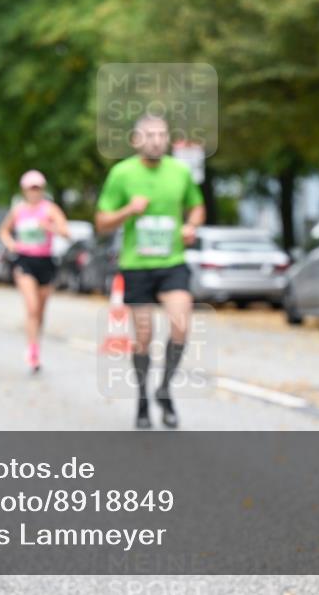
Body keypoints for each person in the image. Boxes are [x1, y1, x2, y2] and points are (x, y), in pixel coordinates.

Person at [95, 114, 205, 429]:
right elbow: (101, 223)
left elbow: (196, 206)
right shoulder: (121, 173)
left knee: (181, 326)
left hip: (172, 262)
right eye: (149, 135)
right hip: (137, 265)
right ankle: (143, 399)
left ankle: (164, 389)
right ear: (136, 140)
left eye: (161, 135)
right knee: (144, 337)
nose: (156, 140)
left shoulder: (180, 172)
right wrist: (128, 210)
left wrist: (191, 224)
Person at [0, 170, 71, 373]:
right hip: (24, 261)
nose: (34, 192)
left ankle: (36, 343)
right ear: (25, 190)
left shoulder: (50, 209)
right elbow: (3, 230)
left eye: (38, 188)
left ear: (42, 189)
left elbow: (66, 232)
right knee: (31, 307)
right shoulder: (18, 210)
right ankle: (32, 350)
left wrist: (49, 227)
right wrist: (11, 243)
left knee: (40, 311)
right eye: (31, 188)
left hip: (45, 262)